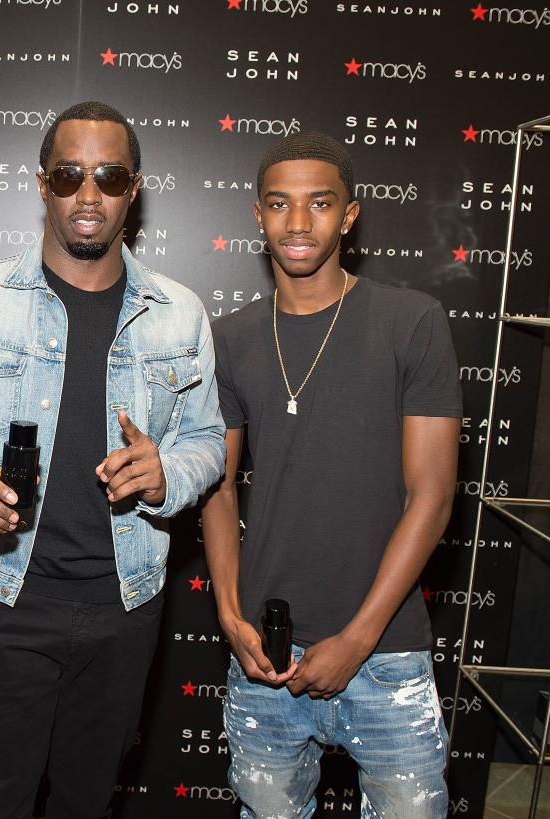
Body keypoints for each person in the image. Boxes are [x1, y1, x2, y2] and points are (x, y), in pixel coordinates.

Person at [0, 100, 225, 818]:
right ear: (41, 183)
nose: (89, 195)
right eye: (69, 174)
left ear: (134, 189)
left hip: (125, 607)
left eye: (109, 177)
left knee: (87, 801)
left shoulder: (180, 313)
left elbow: (208, 442)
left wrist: (168, 474)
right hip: (3, 599)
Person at [201, 131, 461, 818]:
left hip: (387, 654)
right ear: (258, 216)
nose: (297, 222)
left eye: (319, 203)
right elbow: (218, 488)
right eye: (280, 204)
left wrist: (359, 635)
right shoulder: (230, 338)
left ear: (350, 214)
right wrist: (230, 614)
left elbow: (431, 498)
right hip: (265, 659)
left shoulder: (412, 322)